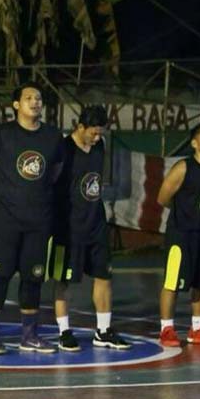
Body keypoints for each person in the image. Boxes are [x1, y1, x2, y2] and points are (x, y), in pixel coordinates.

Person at [0, 83, 64, 355]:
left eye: (38, 98)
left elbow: (55, 172)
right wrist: (7, 196)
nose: (35, 102)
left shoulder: (52, 136)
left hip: (39, 222)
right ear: (16, 105)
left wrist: (33, 196)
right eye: (28, 98)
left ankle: (29, 336)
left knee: (33, 277)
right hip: (6, 221)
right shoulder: (1, 134)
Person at [49, 105, 130, 351]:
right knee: (63, 280)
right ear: (80, 126)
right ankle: (64, 332)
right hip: (67, 226)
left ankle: (103, 331)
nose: (97, 138)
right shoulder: (62, 149)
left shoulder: (100, 146)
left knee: (104, 276)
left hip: (96, 223)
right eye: (93, 133)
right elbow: (50, 184)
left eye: (100, 133)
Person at [157, 123, 200, 347]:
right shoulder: (183, 167)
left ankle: (198, 329)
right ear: (195, 143)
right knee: (173, 282)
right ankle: (166, 329)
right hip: (181, 234)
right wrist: (185, 213)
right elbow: (162, 198)